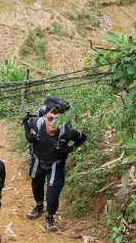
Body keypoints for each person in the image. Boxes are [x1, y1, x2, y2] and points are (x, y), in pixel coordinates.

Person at [22, 97, 87, 230]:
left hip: (55, 165)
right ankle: (39, 206)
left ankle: (50, 216)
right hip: (38, 161)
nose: (53, 123)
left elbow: (82, 137)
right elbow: (26, 121)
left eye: (57, 119)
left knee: (52, 197)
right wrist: (28, 135)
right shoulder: (37, 123)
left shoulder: (68, 132)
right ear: (45, 116)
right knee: (36, 186)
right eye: (50, 118)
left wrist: (70, 149)